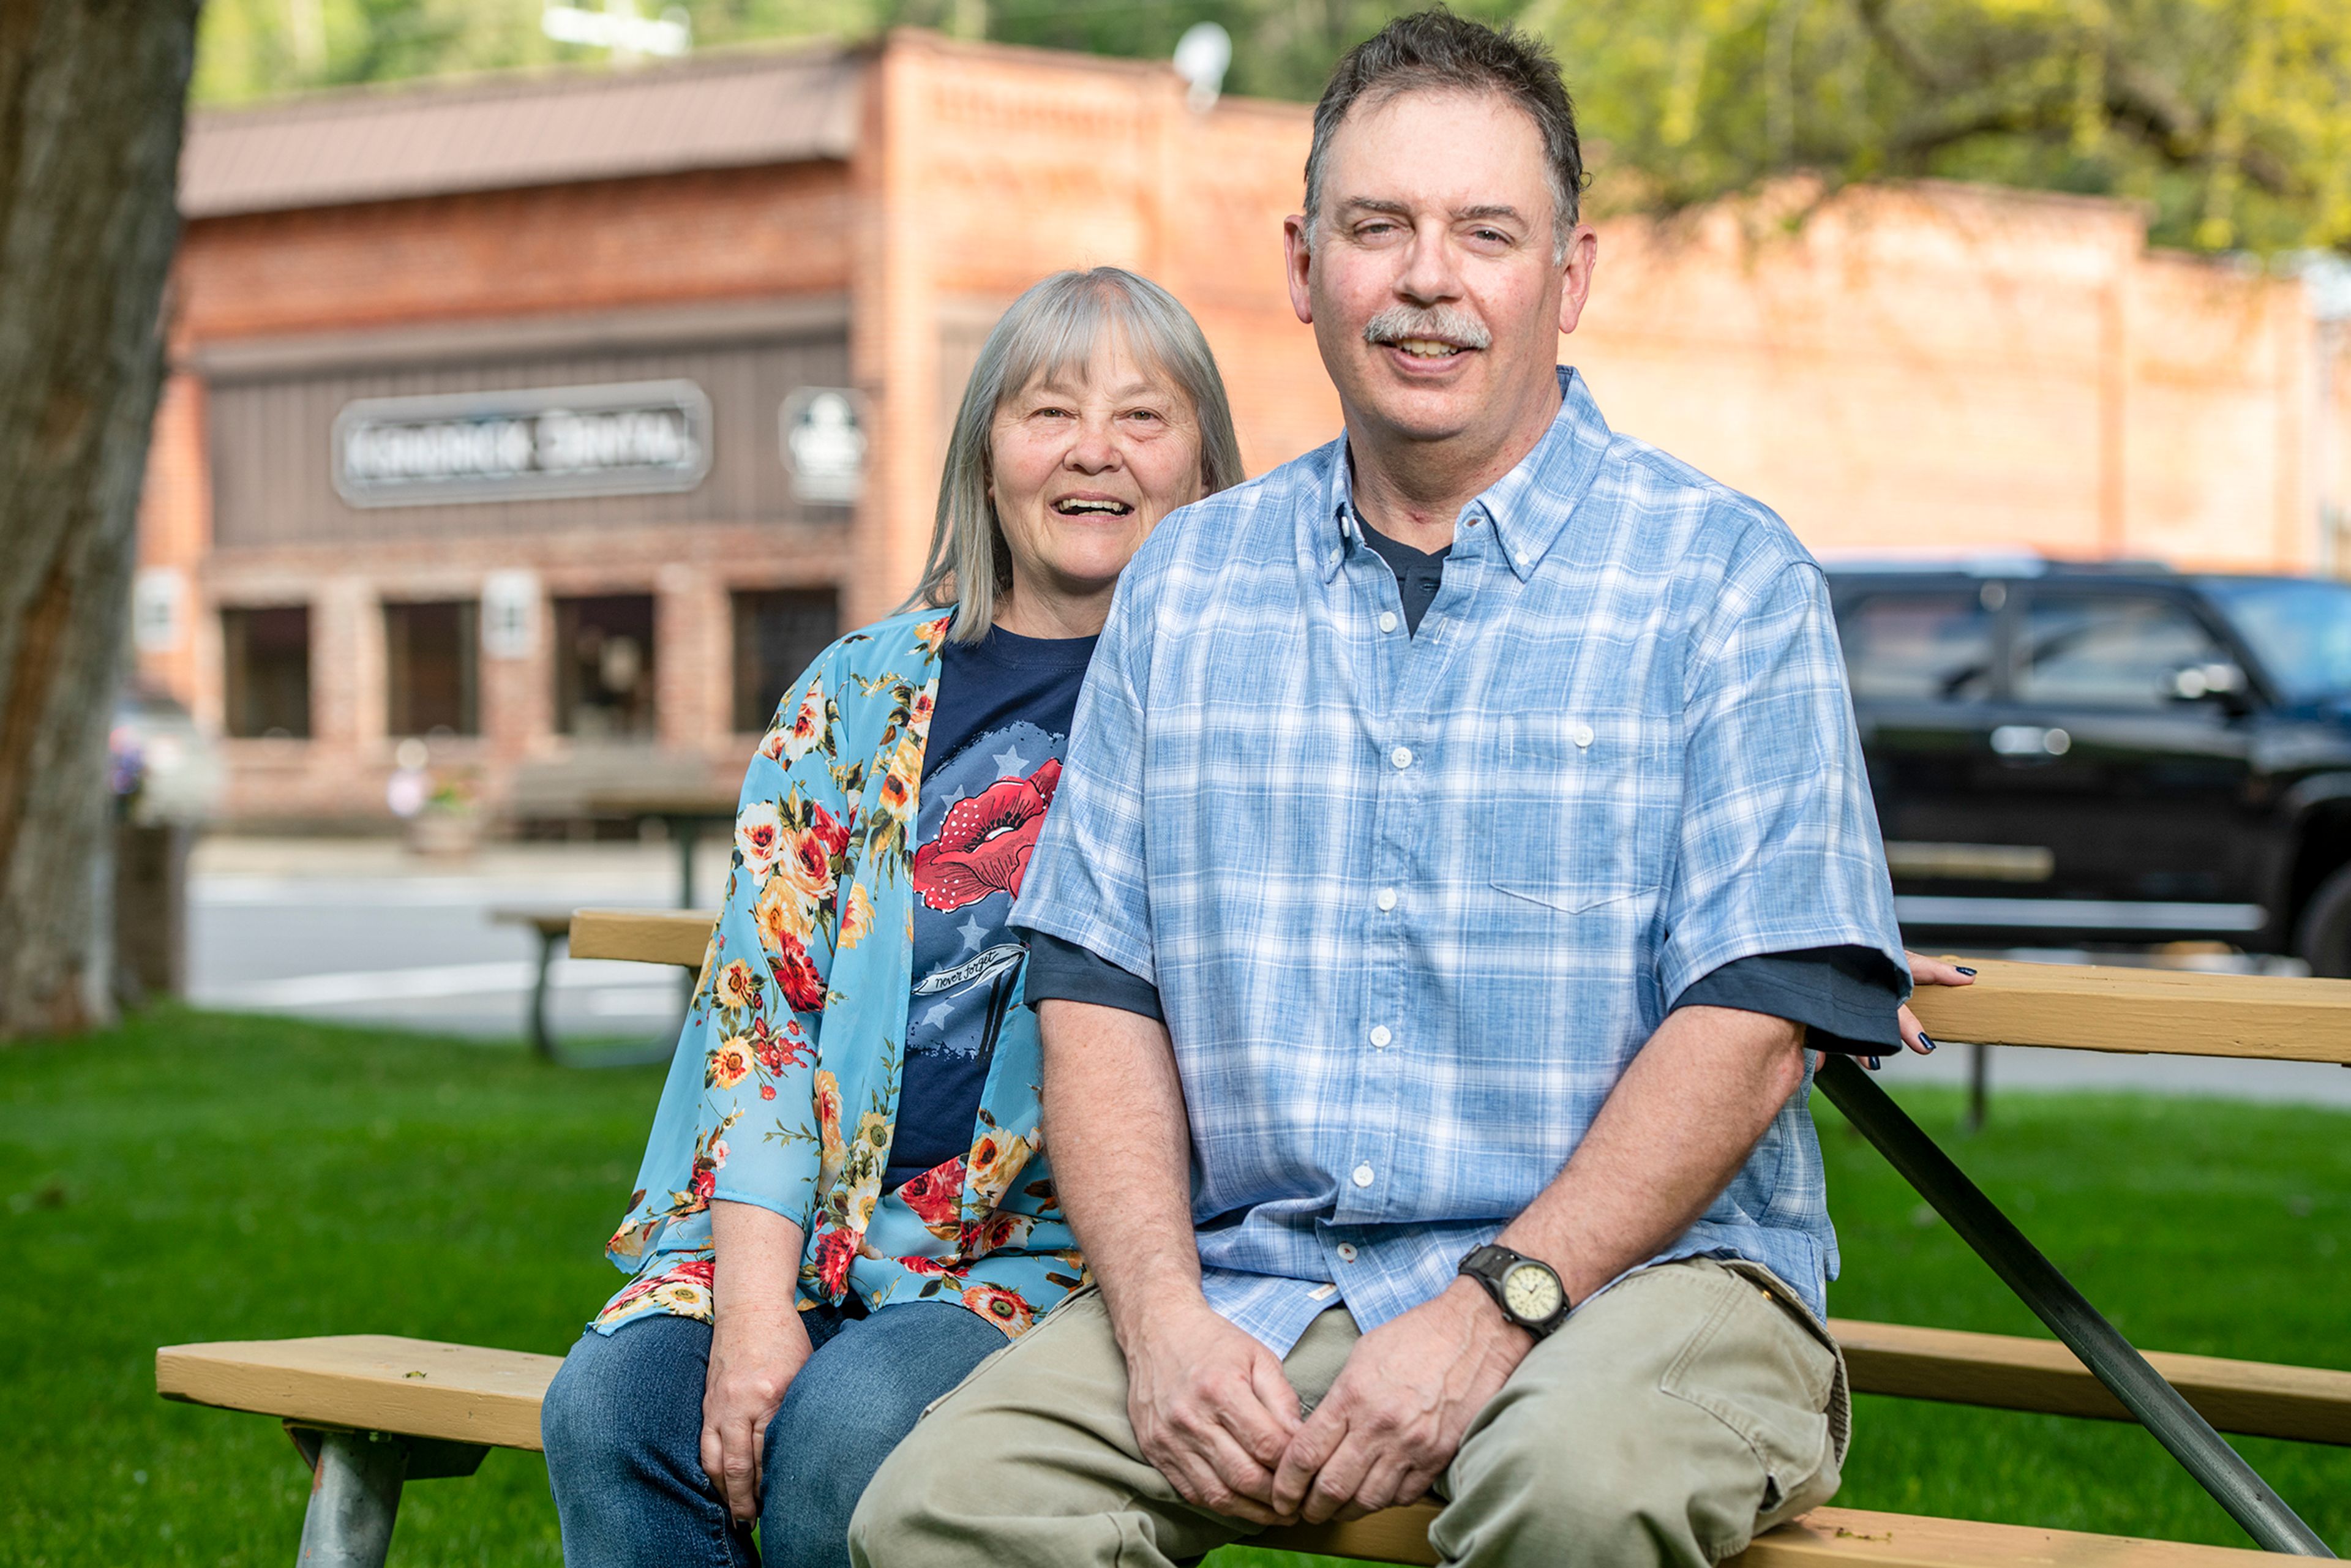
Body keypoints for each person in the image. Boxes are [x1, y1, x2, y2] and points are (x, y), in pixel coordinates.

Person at [849, 15, 1967, 1568]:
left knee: (1568, 1493)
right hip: (1264, 1288)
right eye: (1379, 230)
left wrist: (1496, 1306)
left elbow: (1755, 1018)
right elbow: (1097, 990)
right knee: (942, 1508)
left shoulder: (1720, 579)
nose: (1429, 279)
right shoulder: (1191, 585)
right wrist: (1165, 1320)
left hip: (1648, 1296)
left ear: (1567, 280)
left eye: (1486, 234)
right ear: (1307, 269)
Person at [539, 266, 1245, 1568]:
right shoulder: (854, 697)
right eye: (1050, 412)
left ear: (1206, 468)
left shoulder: (1240, 714)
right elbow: (763, 1015)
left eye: (1145, 417)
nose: (1096, 450)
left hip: (1046, 1262)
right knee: (615, 1407)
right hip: (805, 1229)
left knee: (849, 1431)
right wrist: (755, 1306)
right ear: (986, 457)